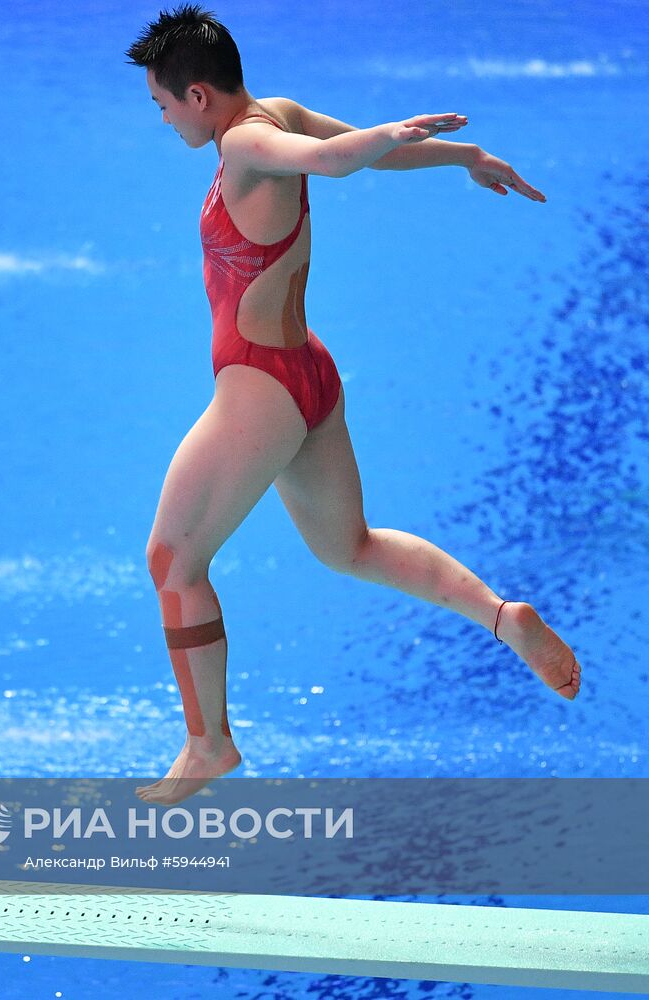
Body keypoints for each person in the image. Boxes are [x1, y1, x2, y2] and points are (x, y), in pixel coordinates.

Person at [123, 4, 580, 806]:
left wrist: (389, 134)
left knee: (173, 562)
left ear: (198, 95)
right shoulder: (279, 112)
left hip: (259, 387)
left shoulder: (245, 144)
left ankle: (208, 744)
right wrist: (463, 155)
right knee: (351, 548)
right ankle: (501, 615)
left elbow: (336, 159)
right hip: (309, 374)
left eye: (163, 104)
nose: (163, 120)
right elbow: (361, 153)